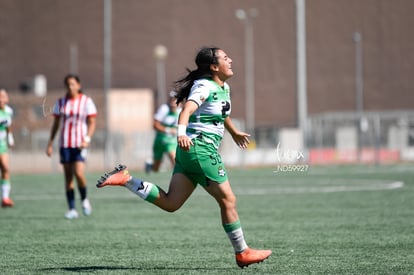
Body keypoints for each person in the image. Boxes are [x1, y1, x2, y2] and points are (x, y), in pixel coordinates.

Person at [96, 47, 272, 268]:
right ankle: (242, 252)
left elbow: (221, 113)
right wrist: (181, 134)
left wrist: (234, 131)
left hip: (191, 152)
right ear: (214, 67)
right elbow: (186, 111)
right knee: (228, 200)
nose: (231, 60)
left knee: (171, 203)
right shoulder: (205, 85)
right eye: (226, 58)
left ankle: (127, 180)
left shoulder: (223, 86)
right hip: (201, 149)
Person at [46, 74, 97, 219]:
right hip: (65, 144)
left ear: (79, 85)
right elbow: (56, 124)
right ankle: (72, 209)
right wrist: (50, 143)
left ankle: (85, 199)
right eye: (68, 84)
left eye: (73, 84)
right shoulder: (61, 102)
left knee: (79, 174)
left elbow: (92, 122)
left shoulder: (86, 101)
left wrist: (87, 139)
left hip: (80, 144)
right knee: (68, 177)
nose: (70, 86)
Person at [145, 91, 181, 173]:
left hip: (171, 141)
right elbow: (155, 125)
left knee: (174, 159)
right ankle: (150, 166)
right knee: (156, 168)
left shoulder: (181, 111)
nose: (173, 102)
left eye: (175, 99)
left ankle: (177, 179)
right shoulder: (164, 109)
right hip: (160, 140)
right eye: (172, 99)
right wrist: (168, 130)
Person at [0, 89, 15, 208]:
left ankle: (5, 198)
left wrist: (10, 138)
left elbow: (8, 126)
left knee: (5, 168)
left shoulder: (9, 111)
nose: (1, 99)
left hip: (2, 144)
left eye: (3, 96)